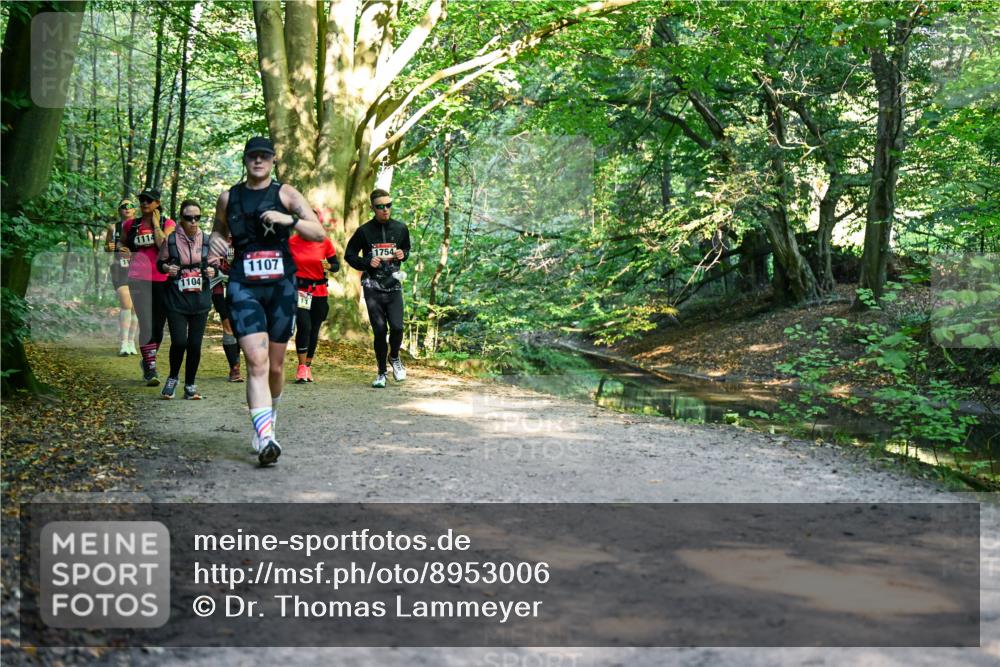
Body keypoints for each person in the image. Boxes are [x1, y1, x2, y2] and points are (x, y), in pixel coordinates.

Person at [208, 136, 324, 466]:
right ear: (245, 161)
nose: (258, 162)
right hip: (244, 286)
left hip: (281, 288)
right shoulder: (229, 197)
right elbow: (218, 231)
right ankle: (265, 438)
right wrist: (215, 243)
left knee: (275, 365)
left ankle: (270, 419)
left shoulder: (286, 193)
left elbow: (318, 233)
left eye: (264, 157)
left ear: (273, 161)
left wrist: (289, 219)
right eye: (252, 157)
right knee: (255, 363)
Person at [344, 188, 411, 388]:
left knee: (398, 327)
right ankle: (381, 372)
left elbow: (406, 249)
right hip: (372, 286)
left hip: (393, 285)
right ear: (372, 208)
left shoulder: (400, 228)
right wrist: (366, 262)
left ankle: (395, 357)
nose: (385, 210)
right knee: (380, 330)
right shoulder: (364, 231)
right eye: (380, 207)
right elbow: (349, 255)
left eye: (388, 205)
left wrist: (402, 255)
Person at [157, 200, 215, 400]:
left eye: (197, 218)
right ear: (181, 219)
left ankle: (190, 384)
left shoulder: (207, 240)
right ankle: (173, 378)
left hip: (200, 299)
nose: (193, 222)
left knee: (195, 345)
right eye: (189, 218)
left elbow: (218, 267)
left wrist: (212, 270)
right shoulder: (171, 240)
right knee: (180, 341)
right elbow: (160, 264)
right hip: (176, 299)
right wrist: (167, 268)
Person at [123, 188, 175, 385]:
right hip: (138, 277)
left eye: (149, 200)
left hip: (162, 279)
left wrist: (154, 224)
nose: (145, 203)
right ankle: (151, 369)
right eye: (142, 200)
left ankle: (148, 359)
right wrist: (123, 249)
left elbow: (164, 244)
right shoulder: (130, 225)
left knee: (158, 326)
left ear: (157, 203)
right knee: (145, 322)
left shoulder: (168, 223)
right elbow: (121, 244)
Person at [289, 219, 339, 383]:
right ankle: (301, 367)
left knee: (314, 328)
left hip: (319, 291)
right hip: (300, 291)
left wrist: (329, 266)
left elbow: (335, 264)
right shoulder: (292, 242)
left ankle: (308, 365)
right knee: (304, 326)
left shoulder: (324, 241)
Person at [105, 198, 139, 356]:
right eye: (123, 206)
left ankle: (131, 342)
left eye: (130, 206)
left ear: (134, 210)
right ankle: (123, 342)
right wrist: (109, 246)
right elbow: (107, 246)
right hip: (120, 269)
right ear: (119, 210)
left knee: (135, 308)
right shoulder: (113, 227)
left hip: (138, 269)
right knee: (126, 303)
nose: (127, 208)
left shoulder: (141, 227)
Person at [211, 231, 244, 382]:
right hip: (219, 288)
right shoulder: (215, 239)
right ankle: (234, 368)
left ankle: (237, 361)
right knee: (228, 325)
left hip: (241, 289)